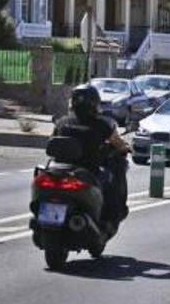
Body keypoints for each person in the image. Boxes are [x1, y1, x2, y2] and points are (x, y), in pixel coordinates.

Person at [53, 84, 131, 226]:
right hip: (89, 171)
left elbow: (52, 141)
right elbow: (119, 145)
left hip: (59, 170)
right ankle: (113, 213)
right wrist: (125, 148)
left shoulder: (62, 122)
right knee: (116, 171)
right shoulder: (102, 124)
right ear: (95, 103)